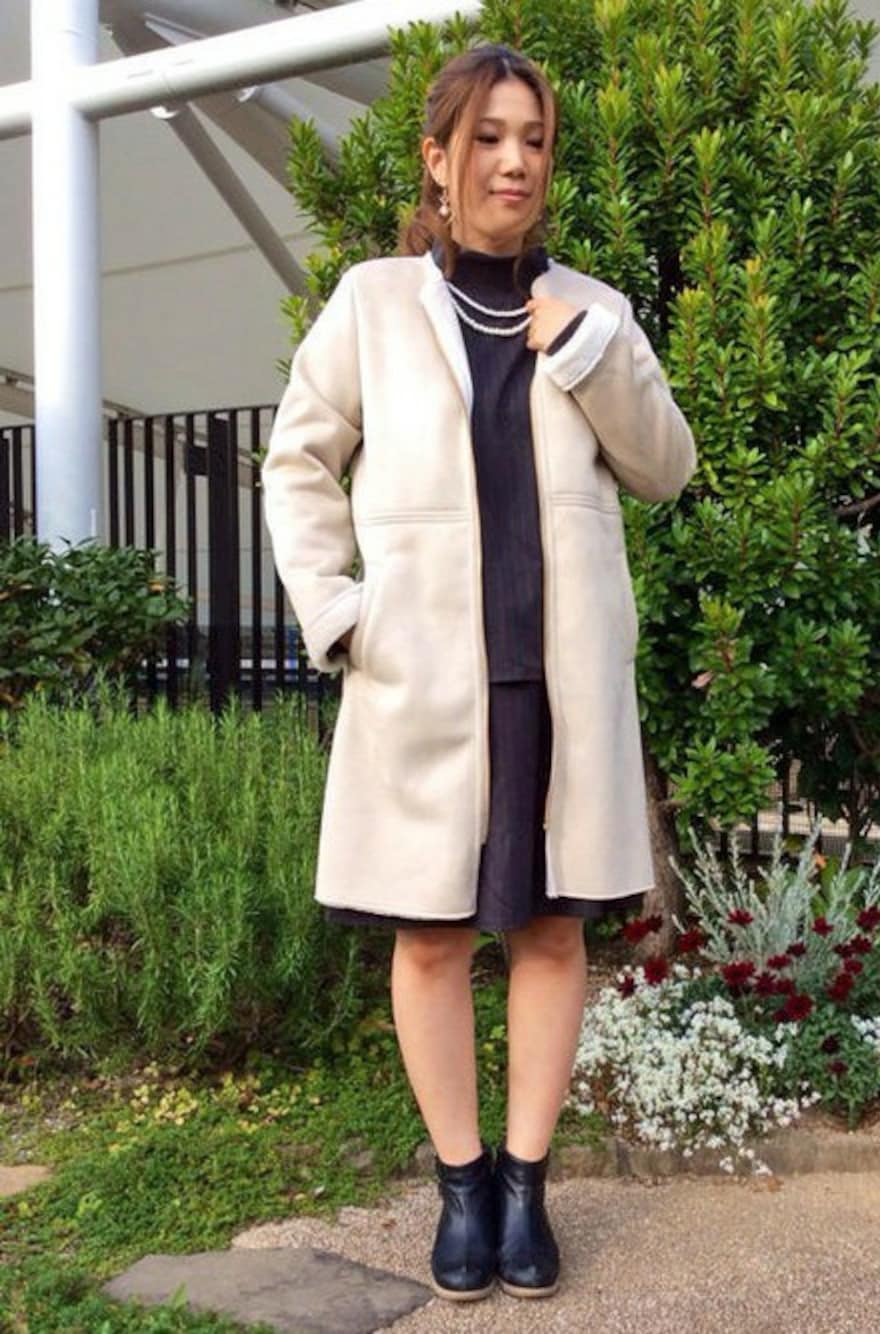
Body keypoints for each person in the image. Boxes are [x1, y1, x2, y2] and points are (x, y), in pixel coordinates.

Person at [261, 41, 697, 1303]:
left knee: (553, 928)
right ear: (438, 158)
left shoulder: (595, 310)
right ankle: (461, 1185)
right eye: (489, 138)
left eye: (535, 140)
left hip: (559, 679)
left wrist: (591, 353)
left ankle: (525, 1181)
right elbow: (297, 461)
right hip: (427, 675)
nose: (515, 161)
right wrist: (340, 612)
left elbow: (664, 466)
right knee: (433, 933)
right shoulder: (373, 303)